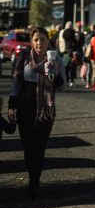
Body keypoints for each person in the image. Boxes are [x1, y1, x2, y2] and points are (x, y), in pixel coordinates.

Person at [8, 27, 65, 198]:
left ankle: (34, 182)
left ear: (48, 41)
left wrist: (52, 74)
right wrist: (12, 105)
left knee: (39, 147)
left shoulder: (56, 60)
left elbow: (62, 86)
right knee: (28, 147)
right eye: (36, 39)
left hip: (45, 110)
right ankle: (33, 178)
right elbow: (17, 82)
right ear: (32, 42)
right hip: (25, 108)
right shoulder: (24, 57)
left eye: (42, 39)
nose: (39, 43)